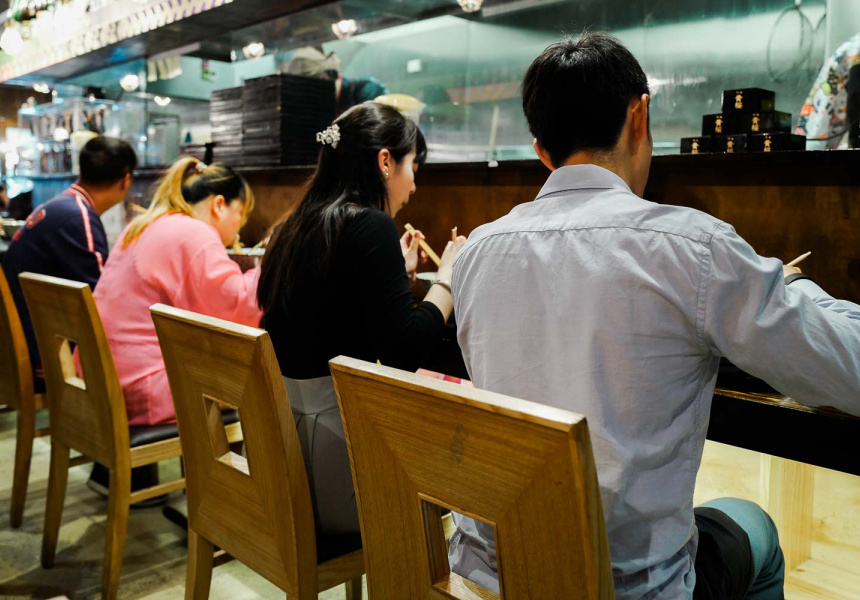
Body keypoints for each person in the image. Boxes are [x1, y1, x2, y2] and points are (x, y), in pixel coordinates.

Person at [450, 33, 860, 600]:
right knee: (757, 528)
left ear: (541, 151)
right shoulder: (691, 246)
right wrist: (791, 285)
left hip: (494, 575)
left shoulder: (474, 253)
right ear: (639, 117)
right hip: (629, 588)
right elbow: (849, 370)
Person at [258, 101, 466, 534]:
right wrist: (448, 278)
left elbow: (333, 315)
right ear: (385, 162)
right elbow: (405, 351)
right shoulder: (370, 224)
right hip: (338, 474)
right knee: (466, 464)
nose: (414, 184)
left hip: (281, 460)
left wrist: (395, 276)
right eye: (413, 166)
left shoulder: (294, 226)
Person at [92, 157, 261, 427]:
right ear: (219, 205)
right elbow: (236, 310)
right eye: (241, 213)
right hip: (141, 388)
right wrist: (272, 264)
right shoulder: (193, 233)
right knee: (256, 381)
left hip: (100, 375)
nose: (239, 227)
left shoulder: (144, 224)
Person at [2, 136, 136, 395]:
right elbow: (102, 300)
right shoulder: (79, 217)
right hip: (42, 356)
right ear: (126, 179)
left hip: (17, 345)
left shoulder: (59, 206)